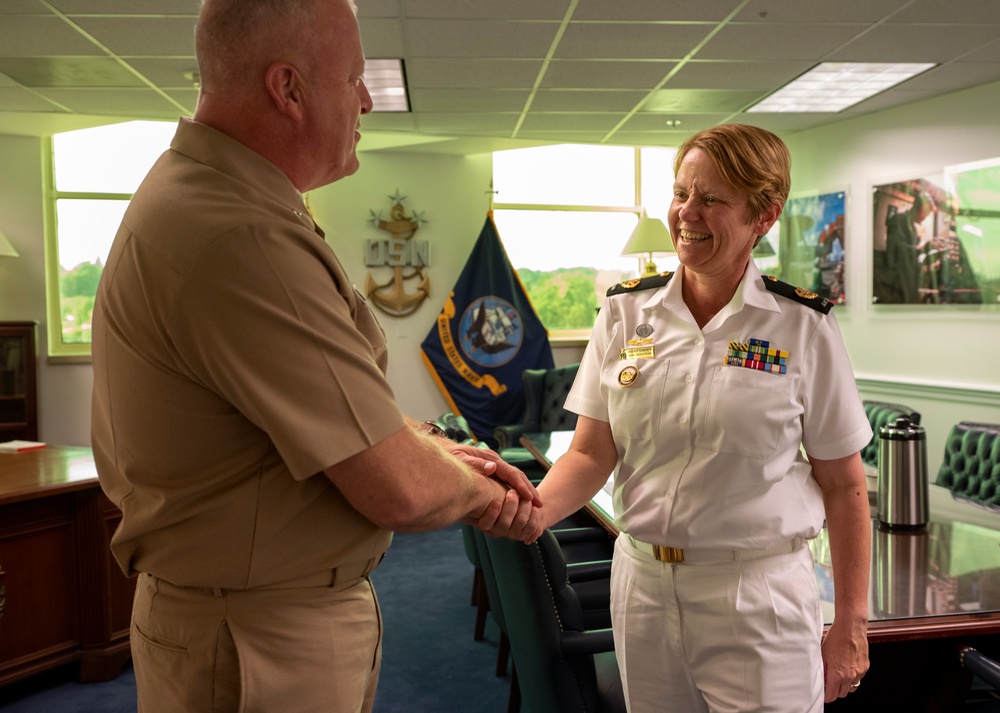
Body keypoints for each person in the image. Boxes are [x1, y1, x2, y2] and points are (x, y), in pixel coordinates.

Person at [89, 1, 541, 712]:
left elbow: (311, 405)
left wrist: (433, 447)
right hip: (257, 634)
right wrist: (495, 499)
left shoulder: (221, 197)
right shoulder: (240, 233)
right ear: (288, 89)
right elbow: (398, 488)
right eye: (354, 77)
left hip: (247, 612)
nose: (365, 99)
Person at [514, 124, 872, 712]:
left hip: (755, 594)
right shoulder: (626, 314)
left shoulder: (801, 327)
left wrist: (851, 627)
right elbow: (589, 453)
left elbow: (844, 483)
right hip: (642, 585)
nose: (687, 213)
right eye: (682, 193)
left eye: (712, 199)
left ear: (764, 216)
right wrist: (532, 512)